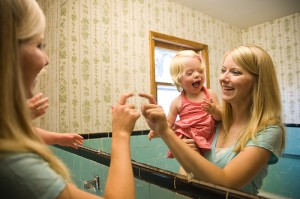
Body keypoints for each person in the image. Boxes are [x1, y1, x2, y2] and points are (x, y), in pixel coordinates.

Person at [0, 0, 139, 198]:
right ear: (7, 51)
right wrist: (121, 134)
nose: (46, 59)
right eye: (39, 45)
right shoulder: (12, 164)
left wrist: (54, 136)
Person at [139, 44, 286, 195]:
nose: (223, 78)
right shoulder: (212, 123)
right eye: (223, 70)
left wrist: (165, 132)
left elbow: (227, 183)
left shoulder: (269, 131)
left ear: (259, 81)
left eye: (235, 72)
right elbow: (185, 178)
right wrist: (187, 150)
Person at [148, 50, 221, 161]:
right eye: (190, 73)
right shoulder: (177, 102)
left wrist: (214, 111)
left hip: (210, 136)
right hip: (189, 138)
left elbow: (221, 117)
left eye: (200, 71)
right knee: (195, 163)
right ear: (179, 80)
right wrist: (157, 129)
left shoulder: (210, 94)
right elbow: (168, 123)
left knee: (209, 163)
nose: (197, 75)